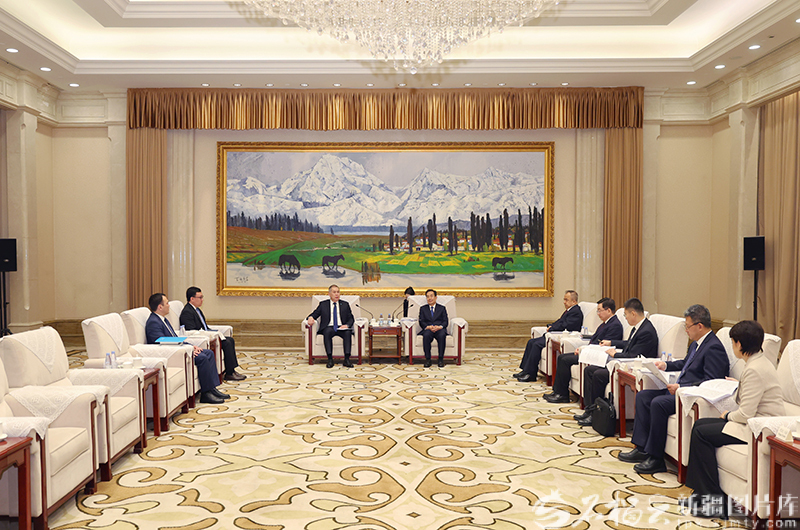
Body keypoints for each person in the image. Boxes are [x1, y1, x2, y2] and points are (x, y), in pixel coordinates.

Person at [683, 320, 784, 518]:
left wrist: (727, 415)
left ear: (739, 344)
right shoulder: (759, 362)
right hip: (754, 423)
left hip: (757, 429)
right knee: (700, 425)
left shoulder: (754, 369)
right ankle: (703, 494)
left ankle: (713, 500)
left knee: (701, 432)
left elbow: (745, 414)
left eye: (732, 343)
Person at [619, 304, 729, 475]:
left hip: (689, 396)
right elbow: (685, 363)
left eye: (688, 326)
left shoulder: (713, 347)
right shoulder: (697, 344)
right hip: (678, 391)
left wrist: (682, 387)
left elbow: (711, 382)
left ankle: (656, 459)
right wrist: (666, 365)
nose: (686, 330)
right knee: (643, 396)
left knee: (658, 403)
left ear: (700, 326)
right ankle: (641, 448)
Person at [575, 298, 659, 423]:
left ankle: (597, 415)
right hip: (625, 362)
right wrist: (611, 342)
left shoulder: (646, 331)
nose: (625, 318)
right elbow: (629, 343)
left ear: (633, 314)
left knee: (598, 374)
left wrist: (615, 354)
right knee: (589, 370)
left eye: (625, 315)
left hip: (632, 366)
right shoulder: (639, 327)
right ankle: (590, 410)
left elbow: (634, 355)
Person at [145, 292, 230, 404]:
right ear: (160, 307)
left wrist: (191, 346)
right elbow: (161, 342)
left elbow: (174, 338)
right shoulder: (153, 322)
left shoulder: (163, 319)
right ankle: (206, 394)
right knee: (202, 358)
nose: (169, 305)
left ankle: (212, 389)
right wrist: (186, 350)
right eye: (167, 303)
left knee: (208, 353)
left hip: (178, 349)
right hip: (171, 354)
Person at [543, 297, 624, 404]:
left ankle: (562, 395)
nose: (598, 314)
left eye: (600, 311)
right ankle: (558, 392)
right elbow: (595, 341)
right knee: (562, 357)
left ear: (608, 310)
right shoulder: (606, 323)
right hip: (590, 352)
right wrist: (582, 348)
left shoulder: (615, 325)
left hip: (598, 356)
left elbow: (603, 346)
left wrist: (584, 350)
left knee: (565, 360)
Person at [514, 290, 583, 382]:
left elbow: (565, 325)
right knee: (531, 342)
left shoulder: (576, 312)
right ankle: (525, 370)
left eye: (566, 300)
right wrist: (551, 326)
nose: (564, 302)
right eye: (564, 299)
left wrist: (552, 328)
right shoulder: (569, 311)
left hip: (560, 336)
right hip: (554, 333)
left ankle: (531, 374)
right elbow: (560, 321)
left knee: (536, 345)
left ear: (574, 301)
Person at [180, 286, 246, 381]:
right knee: (227, 343)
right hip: (201, 338)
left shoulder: (197, 310)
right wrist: (210, 334)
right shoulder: (187, 312)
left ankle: (232, 370)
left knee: (230, 340)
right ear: (192, 299)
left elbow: (204, 326)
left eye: (202, 297)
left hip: (207, 334)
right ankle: (229, 373)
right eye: (200, 297)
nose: (202, 300)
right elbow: (191, 331)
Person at [306, 284, 355, 368]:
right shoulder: (323, 304)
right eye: (334, 292)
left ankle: (347, 359)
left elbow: (351, 318)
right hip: (329, 327)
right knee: (327, 332)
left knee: (347, 332)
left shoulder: (345, 304)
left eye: (338, 292)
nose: (337, 294)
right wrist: (310, 317)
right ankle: (330, 359)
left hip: (341, 327)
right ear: (329, 294)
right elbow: (315, 314)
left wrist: (347, 325)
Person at [418, 288, 449, 368]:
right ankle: (428, 359)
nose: (429, 298)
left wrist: (440, 327)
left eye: (431, 296)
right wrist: (427, 327)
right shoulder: (423, 308)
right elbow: (421, 321)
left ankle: (440, 359)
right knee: (426, 335)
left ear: (435, 297)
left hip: (439, 329)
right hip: (428, 329)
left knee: (442, 335)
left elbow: (445, 321)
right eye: (427, 296)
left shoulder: (442, 308)